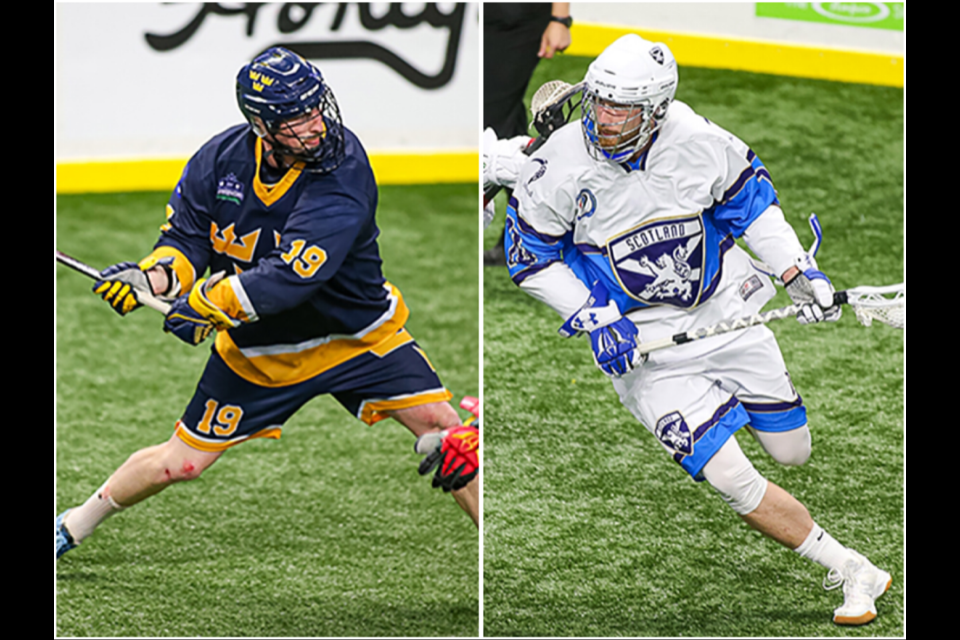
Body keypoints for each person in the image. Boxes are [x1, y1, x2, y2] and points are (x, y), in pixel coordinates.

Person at [492, 34, 891, 626]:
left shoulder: (698, 140)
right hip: (645, 341)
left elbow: (753, 207)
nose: (603, 118)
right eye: (598, 102)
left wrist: (797, 271)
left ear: (656, 111)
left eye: (620, 108)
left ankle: (722, 404)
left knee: (793, 451)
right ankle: (853, 567)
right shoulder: (560, 165)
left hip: (726, 311)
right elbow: (531, 259)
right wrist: (598, 315)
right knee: (731, 477)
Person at [56, 47, 479, 561]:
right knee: (182, 462)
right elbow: (188, 241)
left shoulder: (345, 168)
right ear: (262, 125)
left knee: (451, 438)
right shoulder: (219, 161)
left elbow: (289, 278)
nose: (316, 125)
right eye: (297, 118)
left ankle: (497, 555)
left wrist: (205, 303)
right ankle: (73, 525)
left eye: (316, 107)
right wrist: (153, 278)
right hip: (262, 352)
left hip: (358, 337)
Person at [483, 2, 572, 266]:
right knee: (505, 120)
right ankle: (528, 235)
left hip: (518, 17)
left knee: (493, 120)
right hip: (492, 14)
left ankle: (538, 234)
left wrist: (560, 18)